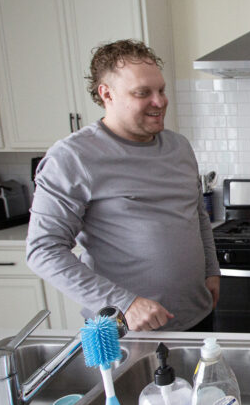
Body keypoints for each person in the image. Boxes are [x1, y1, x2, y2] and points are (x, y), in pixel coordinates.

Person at [26, 40, 219, 332]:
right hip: (125, 327)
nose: (160, 101)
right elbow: (43, 250)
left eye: (161, 90)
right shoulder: (72, 158)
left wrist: (211, 271)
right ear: (107, 94)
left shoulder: (178, 146)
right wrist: (124, 303)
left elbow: (197, 215)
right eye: (143, 93)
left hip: (197, 316)